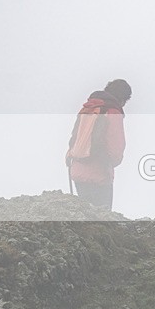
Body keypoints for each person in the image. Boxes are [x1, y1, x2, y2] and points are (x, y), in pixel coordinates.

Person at [66, 78, 132, 210]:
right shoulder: (112, 111)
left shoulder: (88, 108)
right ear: (122, 99)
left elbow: (75, 136)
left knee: (85, 217)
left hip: (77, 170)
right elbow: (116, 147)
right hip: (99, 174)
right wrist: (113, 161)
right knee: (103, 222)